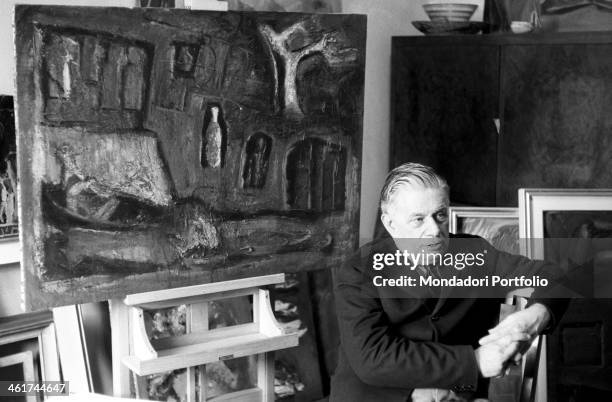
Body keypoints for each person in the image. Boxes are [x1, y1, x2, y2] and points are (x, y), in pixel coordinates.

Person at [330, 163, 567, 402]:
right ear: (391, 224)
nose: (434, 230)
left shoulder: (474, 252)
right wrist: (475, 362)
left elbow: (555, 276)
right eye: (418, 219)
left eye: (440, 215)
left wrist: (535, 316)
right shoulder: (359, 270)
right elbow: (373, 358)